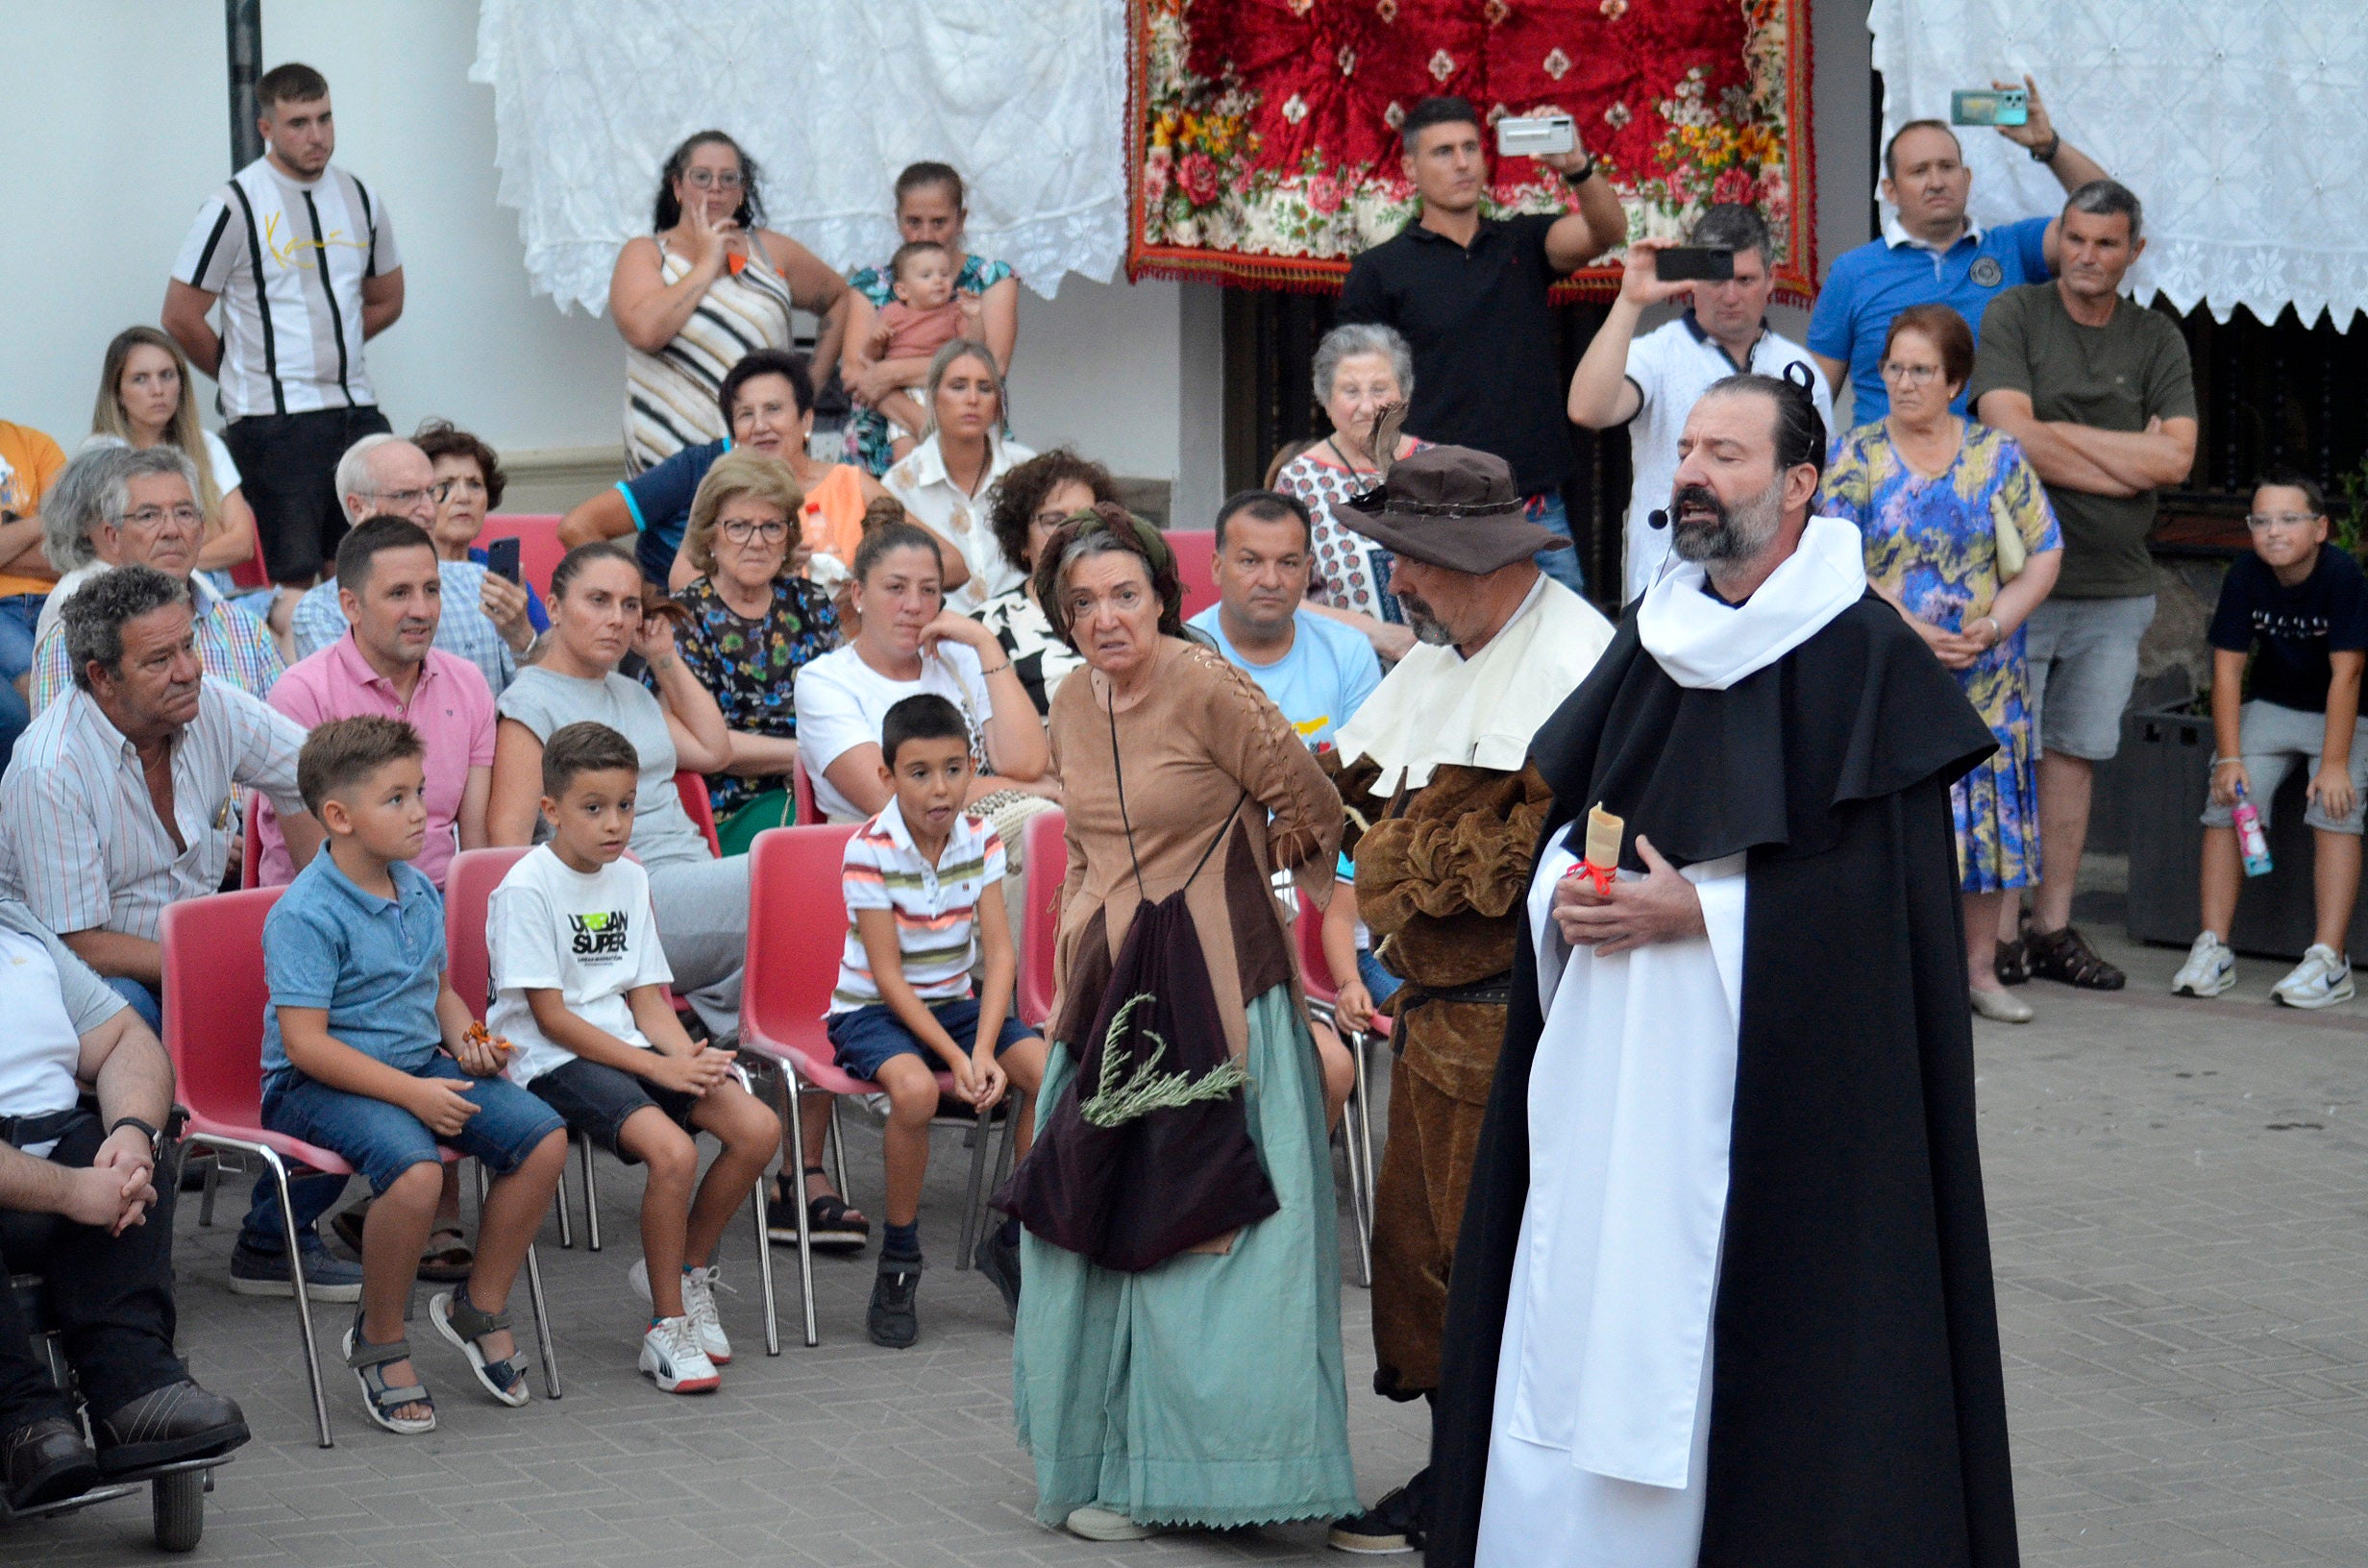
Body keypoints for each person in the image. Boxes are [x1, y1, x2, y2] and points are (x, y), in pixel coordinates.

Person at [1426, 375, 2014, 1568]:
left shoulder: (1862, 654)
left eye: (1727, 454)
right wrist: (1566, 897)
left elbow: (1887, 911)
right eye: (1687, 448)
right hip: (1606, 1054)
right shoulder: (1656, 631)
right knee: (1574, 1294)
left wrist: (1704, 912)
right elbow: (1567, 826)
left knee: (1716, 1328)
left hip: (1758, 1079)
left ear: (1799, 485)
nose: (1693, 470)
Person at [1006, 506, 1357, 1541]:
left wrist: (1246, 881)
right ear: (1063, 620)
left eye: (1125, 595)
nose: (1107, 618)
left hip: (1221, 998)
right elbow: (1080, 838)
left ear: (1162, 595)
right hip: (1111, 997)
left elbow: (1316, 810)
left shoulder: (1207, 684)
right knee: (1097, 1225)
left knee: (1211, 1237)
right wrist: (1080, 932)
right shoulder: (1071, 698)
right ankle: (1106, 1461)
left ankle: (1217, 1479)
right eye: (1084, 604)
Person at [1313, 447, 1616, 1555]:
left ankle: (1490, 1500)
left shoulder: (1575, 664)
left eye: (1413, 561)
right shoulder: (1448, 652)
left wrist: (1386, 859)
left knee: (1494, 1265)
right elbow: (1347, 802)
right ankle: (1460, 1477)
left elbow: (1490, 872)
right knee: (1420, 1259)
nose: (1396, 583)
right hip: (1434, 1019)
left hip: (1519, 1022)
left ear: (1474, 560)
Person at [0, 567, 355, 1300]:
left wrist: (322, 907)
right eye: (159, 660)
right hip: (79, 976)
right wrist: (219, 968)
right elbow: (77, 945)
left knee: (355, 997)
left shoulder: (210, 704)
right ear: (102, 677)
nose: (189, 669)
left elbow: (321, 779)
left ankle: (272, 1236)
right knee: (141, 1009)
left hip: (186, 957)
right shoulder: (49, 767)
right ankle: (122, 1255)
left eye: (188, 645)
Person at [259, 717, 569, 1434]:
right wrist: (414, 1095)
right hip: (319, 1085)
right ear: (338, 817)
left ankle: (478, 1303)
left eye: (420, 792)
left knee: (543, 1138)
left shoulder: (417, 888)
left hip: (417, 1067)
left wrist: (472, 1041)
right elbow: (305, 1046)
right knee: (417, 1172)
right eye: (396, 798)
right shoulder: (304, 914)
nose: (421, 812)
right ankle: (381, 1337)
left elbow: (436, 991)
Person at [493, 721, 779, 1389]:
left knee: (757, 1126)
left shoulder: (628, 876)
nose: (614, 823)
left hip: (628, 1044)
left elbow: (650, 996)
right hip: (551, 1059)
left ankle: (686, 1269)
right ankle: (666, 1328)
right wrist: (659, 1067)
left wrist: (693, 1060)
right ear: (552, 811)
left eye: (625, 805)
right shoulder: (525, 887)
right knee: (674, 1153)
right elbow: (551, 1018)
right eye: (594, 808)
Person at [1969, 181, 2197, 991]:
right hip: (2017, 583)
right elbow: (2005, 436)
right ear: (2057, 239)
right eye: (2075, 238)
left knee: (2074, 759)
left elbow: (2176, 461)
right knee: (2004, 759)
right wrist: (2122, 458)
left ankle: (2054, 929)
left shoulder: (2156, 337)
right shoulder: (2016, 316)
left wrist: (2053, 435)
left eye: (2106, 243)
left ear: (2134, 251)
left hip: (2116, 587)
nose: (2087, 256)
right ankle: (1993, 939)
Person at [1819, 305, 2062, 1024]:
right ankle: (1893, 981)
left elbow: (2044, 550)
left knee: (1986, 821)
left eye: (1920, 369)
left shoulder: (1997, 455)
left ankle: (1980, 973)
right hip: (1890, 666)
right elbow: (1830, 559)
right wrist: (1913, 629)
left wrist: (1993, 625)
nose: (1902, 381)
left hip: (1987, 674)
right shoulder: (1854, 455)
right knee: (1888, 821)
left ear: (1955, 380)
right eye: (1893, 366)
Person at [0, 899, 249, 1510]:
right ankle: (21, 1421)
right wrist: (71, 1189)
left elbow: (124, 1038)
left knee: (127, 1145)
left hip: (55, 1144)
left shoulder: (15, 923)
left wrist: (131, 1137)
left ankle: (134, 1388)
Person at [1336, 96, 1626, 596]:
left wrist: (1576, 165)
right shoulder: (1379, 271)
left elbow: (1608, 232)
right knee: (1450, 659)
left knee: (1568, 664)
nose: (1463, 162)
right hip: (1437, 511)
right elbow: (1354, 393)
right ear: (1410, 168)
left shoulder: (1522, 243)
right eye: (1443, 152)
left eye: (1471, 147)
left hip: (1534, 506)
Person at [829, 696, 1048, 1344]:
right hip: (872, 1012)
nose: (940, 787)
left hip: (955, 1006)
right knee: (919, 1092)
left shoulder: (979, 838)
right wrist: (958, 1062)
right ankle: (900, 1259)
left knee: (1050, 1073)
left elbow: (1000, 953)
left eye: (954, 769)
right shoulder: (869, 850)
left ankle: (1016, 1236)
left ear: (973, 767)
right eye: (919, 772)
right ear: (888, 778)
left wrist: (982, 1047)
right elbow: (889, 979)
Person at [163, 62, 402, 589]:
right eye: (298, 123)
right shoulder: (234, 204)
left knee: (374, 564)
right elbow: (181, 315)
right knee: (294, 574)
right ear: (266, 127)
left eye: (325, 118)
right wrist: (242, 373)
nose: (316, 136)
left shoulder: (361, 197)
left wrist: (333, 345)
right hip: (274, 421)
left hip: (354, 410)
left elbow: (387, 299)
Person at [1566, 205, 1833, 601]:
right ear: (1691, 281)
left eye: (1745, 280)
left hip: (1776, 588)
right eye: (1717, 279)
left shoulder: (1798, 365)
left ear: (1771, 279)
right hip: (1666, 585)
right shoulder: (1656, 353)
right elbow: (1588, 409)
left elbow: (1818, 487)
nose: (1730, 296)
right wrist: (1629, 301)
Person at [2172, 473, 2368, 1009]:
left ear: (2321, 527)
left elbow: (2347, 675)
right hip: (2273, 706)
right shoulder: (2246, 574)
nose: (2273, 532)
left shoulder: (2342, 575)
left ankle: (2330, 959)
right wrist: (2230, 758)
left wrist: (2332, 763)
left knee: (2337, 802)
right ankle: (2214, 947)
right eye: (2260, 520)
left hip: (2342, 710)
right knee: (2230, 796)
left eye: (2288, 519)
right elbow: (2229, 670)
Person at [1810, 78, 2113, 423]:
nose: (1937, 182)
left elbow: (2108, 216)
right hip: (1883, 469)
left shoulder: (2013, 248)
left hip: (1994, 468)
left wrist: (2050, 146)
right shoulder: (1852, 272)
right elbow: (1813, 402)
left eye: (1947, 167)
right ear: (1890, 191)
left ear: (1967, 178)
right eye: (1919, 171)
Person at [255, 518, 496, 891]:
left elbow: (477, 850)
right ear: (351, 606)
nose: (423, 610)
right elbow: (316, 866)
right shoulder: (302, 695)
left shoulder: (468, 684)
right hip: (331, 918)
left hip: (439, 906)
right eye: (399, 593)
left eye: (431, 590)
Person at [609, 131, 851, 475]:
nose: (716, 187)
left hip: (766, 461)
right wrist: (708, 263)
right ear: (677, 187)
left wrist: (806, 387)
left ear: (742, 191)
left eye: (729, 178)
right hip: (670, 466)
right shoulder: (645, 253)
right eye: (702, 177)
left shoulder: (770, 251)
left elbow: (841, 298)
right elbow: (645, 331)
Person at [563, 351, 886, 589]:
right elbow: (578, 526)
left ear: (806, 420)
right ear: (733, 432)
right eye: (746, 414)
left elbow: (933, 557)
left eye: (773, 409)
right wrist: (647, 607)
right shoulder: (701, 473)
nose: (760, 426)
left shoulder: (850, 485)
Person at [793, 523, 1049, 822]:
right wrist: (1015, 788)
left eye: (928, 590)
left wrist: (985, 642)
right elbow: (890, 798)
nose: (914, 605)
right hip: (884, 854)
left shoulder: (961, 657)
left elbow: (1027, 763)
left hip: (990, 829)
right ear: (858, 594)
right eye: (895, 588)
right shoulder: (825, 681)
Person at [667, 451, 840, 851]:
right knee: (825, 845)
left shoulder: (812, 602)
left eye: (772, 527)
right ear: (710, 535)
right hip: (730, 803)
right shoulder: (684, 618)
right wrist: (811, 753)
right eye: (739, 526)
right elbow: (703, 743)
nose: (756, 542)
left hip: (824, 782)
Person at [29, 446, 284, 713]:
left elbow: (285, 746)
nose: (171, 530)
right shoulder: (73, 638)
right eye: (148, 516)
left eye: (184, 513)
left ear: (202, 529)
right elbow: (59, 749)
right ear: (113, 536)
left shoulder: (244, 629)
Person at [290, 435, 533, 698]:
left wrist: (521, 637)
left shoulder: (476, 581)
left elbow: (532, 697)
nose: (429, 511)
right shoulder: (320, 609)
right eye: (406, 495)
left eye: (432, 491)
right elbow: (353, 711)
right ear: (358, 506)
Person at [841, 163, 1021, 478]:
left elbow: (993, 365)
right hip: (878, 444)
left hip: (970, 440)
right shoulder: (870, 285)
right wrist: (922, 421)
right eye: (913, 222)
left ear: (961, 219)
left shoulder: (992, 280)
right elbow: (855, 374)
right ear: (897, 219)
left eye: (939, 222)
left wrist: (888, 372)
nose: (926, 234)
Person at [1274, 323, 1428, 663]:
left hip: (1443, 663)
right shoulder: (1299, 480)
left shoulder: (1440, 468)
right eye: (1350, 391)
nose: (1367, 406)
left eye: (1379, 389)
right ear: (1326, 402)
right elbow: (1281, 597)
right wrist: (1379, 635)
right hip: (1343, 665)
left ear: (1404, 395)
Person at [1187, 489, 1380, 749]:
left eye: (1288, 563)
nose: (1270, 580)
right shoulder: (1180, 653)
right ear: (1217, 568)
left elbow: (1363, 777)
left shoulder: (1349, 653)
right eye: (1250, 561)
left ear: (1307, 570)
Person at [86, 325, 261, 590]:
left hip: (217, 588)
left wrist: (166, 556)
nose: (158, 390)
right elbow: (107, 548)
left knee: (291, 610)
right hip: (136, 593)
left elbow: (241, 543)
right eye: (140, 379)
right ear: (117, 392)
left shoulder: (207, 444)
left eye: (167, 375)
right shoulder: (99, 454)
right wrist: (204, 535)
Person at [882, 341, 1036, 614]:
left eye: (985, 388)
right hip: (936, 638)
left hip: (1025, 634)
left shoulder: (1027, 469)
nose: (973, 399)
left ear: (997, 403)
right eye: (958, 386)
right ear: (932, 398)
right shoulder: (900, 485)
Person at [972, 449, 1116, 716]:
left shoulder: (1129, 608)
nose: (1073, 532)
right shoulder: (988, 626)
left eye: (1087, 519)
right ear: (1022, 541)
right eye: (1054, 520)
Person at [413, 419, 549, 647]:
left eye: (475, 484)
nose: (464, 497)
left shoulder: (497, 569)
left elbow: (550, 649)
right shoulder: (404, 570)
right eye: (446, 485)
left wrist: (522, 632)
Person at [863, 241, 974, 458]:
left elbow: (971, 351)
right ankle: (904, 492)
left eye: (945, 274)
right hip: (902, 393)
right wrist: (875, 341)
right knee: (904, 453)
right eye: (926, 276)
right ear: (902, 290)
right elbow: (868, 361)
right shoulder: (892, 314)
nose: (938, 281)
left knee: (945, 455)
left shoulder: (955, 312)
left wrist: (974, 318)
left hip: (940, 391)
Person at [0, 417, 67, 768]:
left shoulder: (36, 445)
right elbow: (58, 525)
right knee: (37, 688)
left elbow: (71, 548)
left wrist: (12, 532)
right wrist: (41, 522)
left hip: (61, 598)